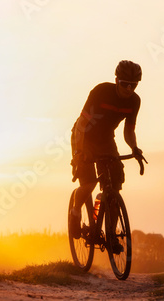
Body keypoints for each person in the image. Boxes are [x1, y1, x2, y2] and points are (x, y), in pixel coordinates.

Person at [70, 60, 144, 253]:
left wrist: (135, 147)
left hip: (105, 141)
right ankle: (76, 212)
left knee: (114, 187)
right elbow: (81, 125)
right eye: (125, 84)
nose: (129, 89)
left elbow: (129, 131)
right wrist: (79, 152)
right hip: (84, 137)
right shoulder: (101, 92)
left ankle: (110, 235)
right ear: (116, 80)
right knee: (88, 184)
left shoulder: (134, 101)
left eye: (133, 85)